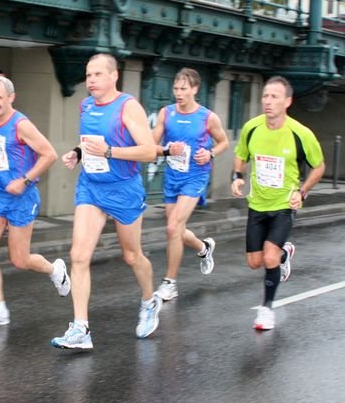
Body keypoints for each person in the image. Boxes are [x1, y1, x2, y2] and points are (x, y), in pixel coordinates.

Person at [51, 53, 160, 350]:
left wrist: (110, 152)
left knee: (132, 255)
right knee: (78, 255)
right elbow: (91, 142)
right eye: (88, 75)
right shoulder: (85, 105)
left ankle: (150, 300)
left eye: (98, 74)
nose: (91, 81)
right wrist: (78, 153)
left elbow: (149, 151)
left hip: (123, 189)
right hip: (91, 187)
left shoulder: (128, 108)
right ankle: (80, 329)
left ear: (114, 76)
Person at [0, 75, 68, 328]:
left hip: (22, 198)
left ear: (11, 98)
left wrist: (24, 180)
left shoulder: (21, 124)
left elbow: (49, 154)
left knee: (20, 260)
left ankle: (54, 270)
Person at [231, 75, 325, 330]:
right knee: (255, 262)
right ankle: (285, 253)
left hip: (284, 205)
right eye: (265, 96)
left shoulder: (301, 133)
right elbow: (240, 156)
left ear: (288, 101)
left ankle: (266, 310)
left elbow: (319, 166)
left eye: (274, 97)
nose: (268, 101)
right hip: (257, 204)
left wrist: (302, 192)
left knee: (269, 260)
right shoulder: (252, 127)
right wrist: (237, 177)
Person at [151, 67, 229, 301]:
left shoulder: (207, 117)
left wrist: (211, 154)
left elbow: (223, 142)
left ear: (195, 89)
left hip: (195, 177)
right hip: (172, 177)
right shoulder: (166, 113)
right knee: (177, 229)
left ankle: (170, 283)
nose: (178, 92)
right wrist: (166, 150)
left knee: (173, 228)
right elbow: (149, 145)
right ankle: (204, 248)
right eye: (176, 88)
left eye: (183, 88)